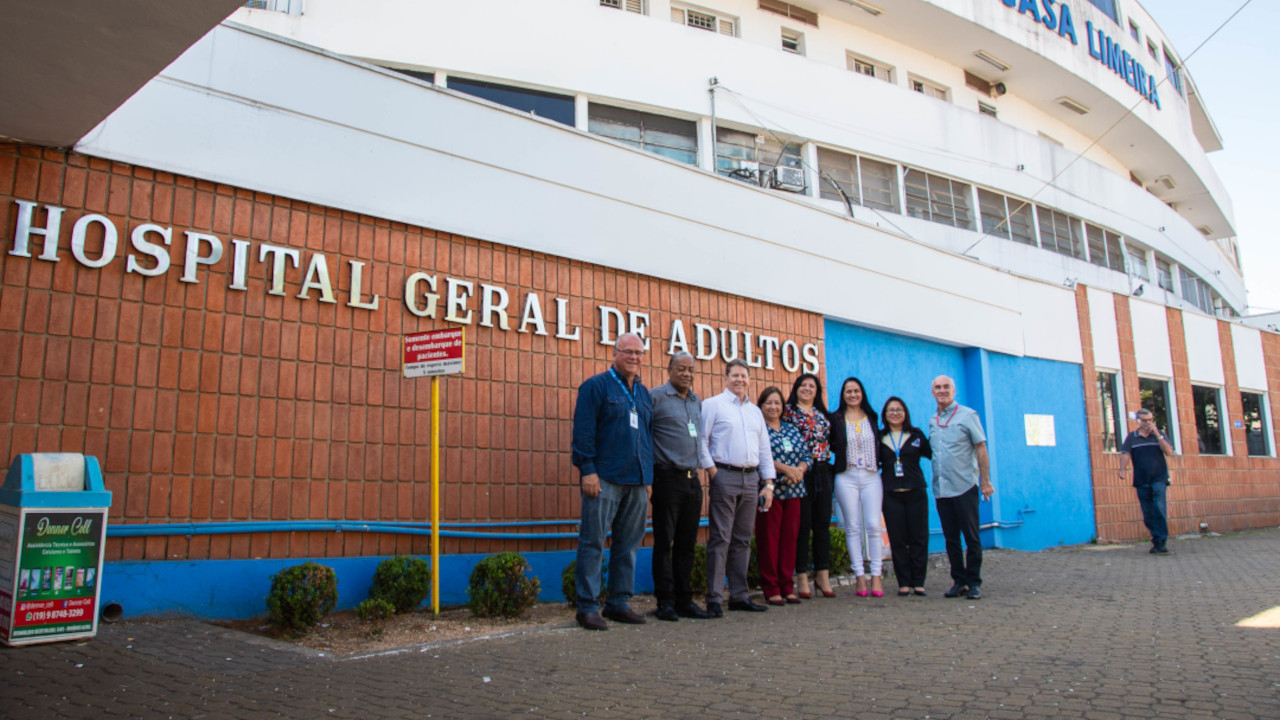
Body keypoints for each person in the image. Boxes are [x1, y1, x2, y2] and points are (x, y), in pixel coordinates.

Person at [570, 332, 654, 630]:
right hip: (604, 478)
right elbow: (583, 432)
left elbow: (647, 438)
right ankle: (588, 607)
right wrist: (588, 470)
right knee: (593, 541)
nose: (634, 357)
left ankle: (619, 603)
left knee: (628, 544)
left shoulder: (644, 394)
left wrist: (648, 477)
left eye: (638, 352)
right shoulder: (596, 386)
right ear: (615, 353)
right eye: (627, 351)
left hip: (637, 481)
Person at [700, 358, 776, 616]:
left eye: (744, 376)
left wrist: (768, 484)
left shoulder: (755, 411)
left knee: (743, 539)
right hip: (725, 475)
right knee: (720, 538)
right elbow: (701, 441)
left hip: (752, 479)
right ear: (726, 377)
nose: (739, 380)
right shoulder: (712, 405)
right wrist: (713, 472)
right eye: (735, 375)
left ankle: (739, 596)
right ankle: (714, 598)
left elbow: (764, 450)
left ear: (749, 379)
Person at [649, 352, 714, 621]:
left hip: (692, 480)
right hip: (666, 477)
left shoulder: (696, 400)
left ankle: (684, 599)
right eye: (681, 369)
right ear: (669, 370)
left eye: (691, 370)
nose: (687, 374)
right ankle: (665, 601)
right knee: (664, 541)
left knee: (687, 542)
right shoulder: (656, 397)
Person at [929, 375, 993, 601]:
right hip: (942, 489)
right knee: (951, 539)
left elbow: (981, 448)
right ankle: (959, 581)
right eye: (938, 387)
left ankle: (974, 582)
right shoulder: (933, 421)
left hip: (965, 486)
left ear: (953, 391)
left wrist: (985, 481)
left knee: (972, 537)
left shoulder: (968, 415)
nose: (942, 390)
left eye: (946, 387)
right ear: (932, 392)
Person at [830, 376, 884, 597]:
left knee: (873, 525)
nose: (852, 395)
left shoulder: (871, 416)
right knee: (852, 526)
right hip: (847, 476)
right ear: (843, 395)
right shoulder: (836, 418)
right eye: (848, 391)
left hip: (871, 475)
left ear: (862, 393)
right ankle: (860, 577)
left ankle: (877, 577)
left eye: (856, 391)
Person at [757, 386, 809, 606]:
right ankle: (771, 587)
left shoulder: (791, 429)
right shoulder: (759, 429)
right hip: (770, 492)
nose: (773, 407)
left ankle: (788, 585)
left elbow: (805, 455)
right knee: (769, 541)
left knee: (789, 540)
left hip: (795, 491)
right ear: (761, 406)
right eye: (768, 402)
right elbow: (761, 456)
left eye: (777, 402)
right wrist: (787, 470)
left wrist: (798, 471)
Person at [785, 373, 835, 599]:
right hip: (800, 472)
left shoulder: (822, 415)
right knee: (803, 526)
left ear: (817, 391)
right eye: (803, 385)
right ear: (796, 388)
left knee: (822, 525)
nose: (806, 389)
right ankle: (802, 577)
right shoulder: (788, 412)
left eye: (811, 386)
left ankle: (822, 575)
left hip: (823, 471)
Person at [878, 397, 932, 596]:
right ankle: (904, 583)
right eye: (891, 410)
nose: (895, 413)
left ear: (905, 413)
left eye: (899, 409)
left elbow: (934, 454)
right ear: (885, 414)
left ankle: (918, 582)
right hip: (891, 494)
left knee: (918, 537)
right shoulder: (880, 437)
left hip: (916, 491)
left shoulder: (916, 435)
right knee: (898, 539)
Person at [1119, 408, 1175, 555]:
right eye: (1145, 421)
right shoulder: (1132, 437)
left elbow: (1169, 452)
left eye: (1150, 420)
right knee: (1148, 513)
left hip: (1159, 478)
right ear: (1139, 421)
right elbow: (1126, 454)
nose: (1148, 423)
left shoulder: (1160, 435)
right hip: (1141, 479)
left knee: (1159, 507)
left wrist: (1157, 434)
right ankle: (1156, 540)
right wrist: (1122, 470)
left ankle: (1162, 541)